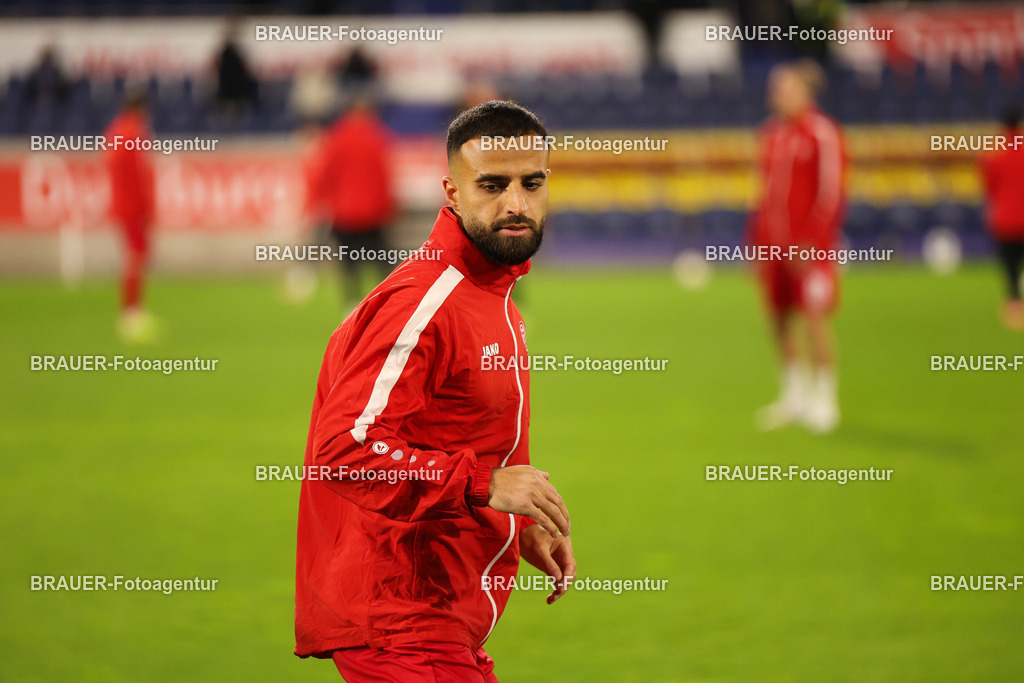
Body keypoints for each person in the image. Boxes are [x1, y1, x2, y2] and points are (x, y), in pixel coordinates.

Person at [295, 101, 575, 681]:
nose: (516, 203)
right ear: (452, 192)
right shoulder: (425, 304)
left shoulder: (494, 293)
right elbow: (346, 446)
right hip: (404, 620)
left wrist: (519, 525)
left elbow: (467, 431)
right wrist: (484, 483)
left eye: (532, 183)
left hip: (446, 616)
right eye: (492, 185)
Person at [748, 60, 847, 433]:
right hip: (773, 249)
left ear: (803, 91)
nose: (776, 95)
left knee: (815, 320)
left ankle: (825, 399)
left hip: (810, 251)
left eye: (783, 87)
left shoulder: (823, 133)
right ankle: (794, 395)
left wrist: (811, 243)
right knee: (778, 320)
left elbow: (832, 192)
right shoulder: (771, 134)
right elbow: (764, 197)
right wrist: (756, 246)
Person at [308, 96, 396, 311]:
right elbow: (384, 177)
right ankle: (393, 303)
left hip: (345, 213)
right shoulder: (378, 136)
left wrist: (319, 203)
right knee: (383, 263)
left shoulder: (337, 137)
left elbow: (325, 174)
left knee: (349, 265)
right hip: (373, 213)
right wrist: (389, 208)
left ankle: (351, 307)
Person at [104, 92, 157, 343]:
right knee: (136, 257)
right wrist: (148, 208)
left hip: (124, 205)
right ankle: (131, 312)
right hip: (134, 207)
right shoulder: (133, 134)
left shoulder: (115, 132)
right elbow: (139, 176)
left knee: (134, 256)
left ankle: (133, 309)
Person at [979, 105, 1024, 331]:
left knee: (1010, 268)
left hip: (1006, 220)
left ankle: (1014, 311)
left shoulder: (996, 153)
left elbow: (988, 185)